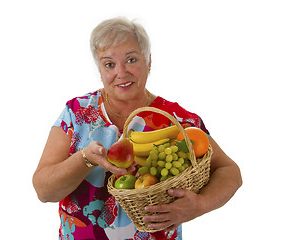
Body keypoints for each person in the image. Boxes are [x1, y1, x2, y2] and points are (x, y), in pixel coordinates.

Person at [32, 17, 242, 240]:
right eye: (109, 64)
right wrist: (85, 158)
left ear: (149, 61)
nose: (121, 73)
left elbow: (230, 171)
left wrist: (200, 205)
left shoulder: (178, 121)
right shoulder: (77, 113)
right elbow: (44, 191)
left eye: (131, 60)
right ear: (100, 69)